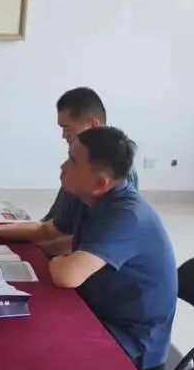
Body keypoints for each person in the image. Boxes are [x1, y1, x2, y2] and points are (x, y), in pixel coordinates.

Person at [0, 127, 177, 370]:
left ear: (100, 182)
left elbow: (67, 275)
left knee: (24, 345)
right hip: (95, 307)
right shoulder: (88, 196)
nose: (63, 167)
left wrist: (60, 258)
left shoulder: (127, 216)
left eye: (72, 160)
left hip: (130, 340)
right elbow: (46, 230)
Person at [40, 87, 139, 256]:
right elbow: (53, 224)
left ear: (93, 125)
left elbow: (86, 242)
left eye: (67, 128)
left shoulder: (113, 173)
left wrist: (37, 249)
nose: (63, 136)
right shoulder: (80, 163)